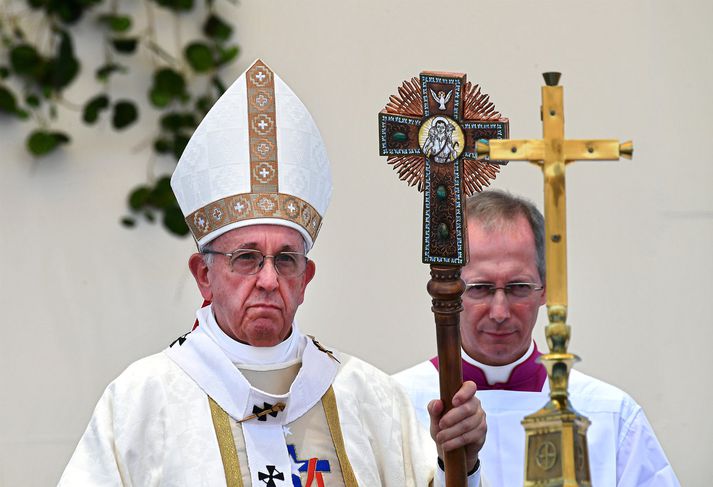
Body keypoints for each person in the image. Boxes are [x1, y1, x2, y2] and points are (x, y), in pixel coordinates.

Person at [59, 59, 487, 486]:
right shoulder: (142, 401)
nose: (268, 280)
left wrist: (461, 465)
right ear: (203, 275)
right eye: (246, 258)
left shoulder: (368, 397)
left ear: (306, 278)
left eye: (286, 260)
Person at [394, 189, 680, 486]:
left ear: (545, 289)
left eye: (518, 287)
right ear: (453, 291)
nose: (500, 311)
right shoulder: (395, 405)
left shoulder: (609, 415)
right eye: (480, 288)